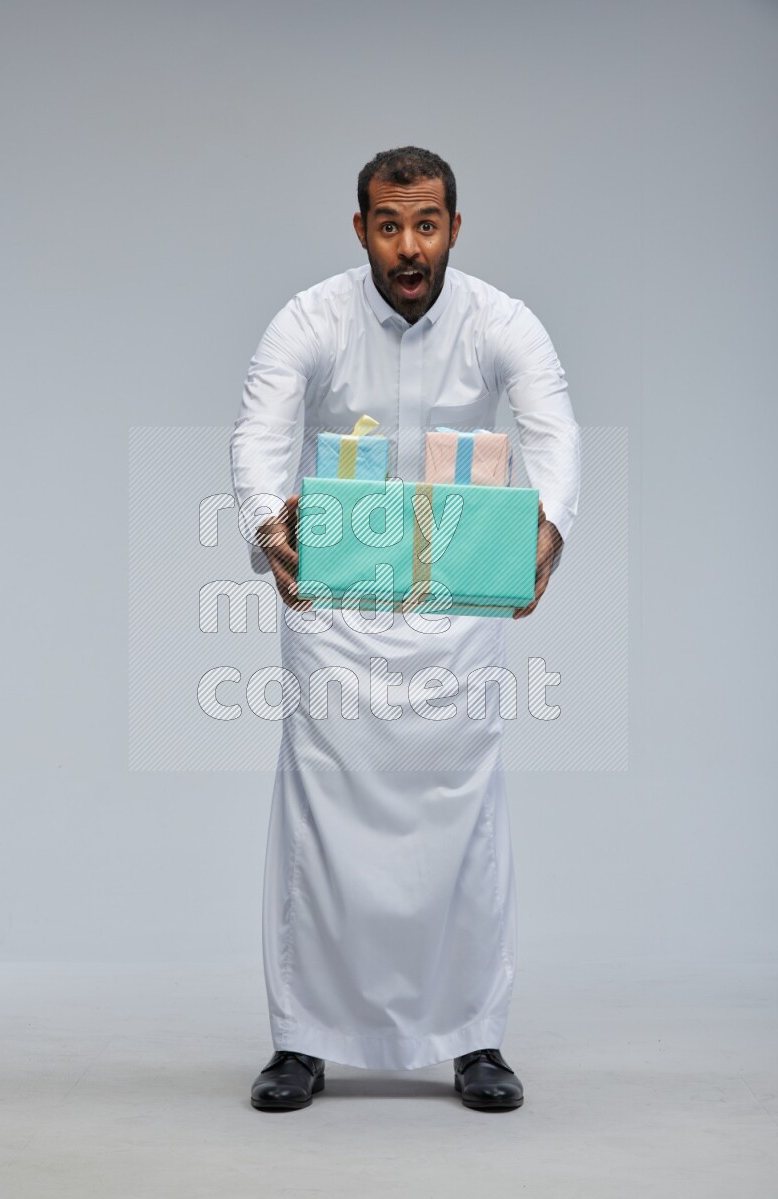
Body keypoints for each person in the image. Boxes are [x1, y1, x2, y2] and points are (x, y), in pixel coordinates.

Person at [229, 146, 580, 1112]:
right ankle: (302, 1041)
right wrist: (266, 521)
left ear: (455, 228)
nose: (409, 246)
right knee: (319, 825)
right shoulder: (310, 318)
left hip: (456, 614)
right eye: (389, 226)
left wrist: (549, 524)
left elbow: (552, 426)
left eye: (426, 224)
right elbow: (260, 430)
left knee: (467, 823)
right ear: (361, 230)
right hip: (337, 615)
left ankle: (475, 1038)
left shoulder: (501, 321)